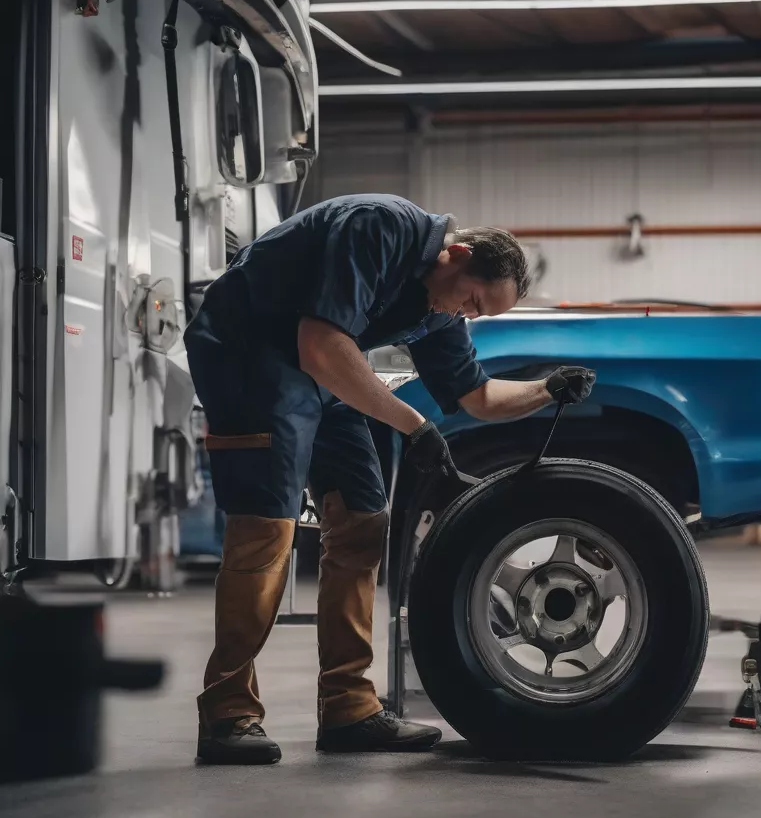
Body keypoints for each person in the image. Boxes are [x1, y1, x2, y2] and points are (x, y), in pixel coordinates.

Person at [184, 193, 596, 765]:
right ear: (455, 254)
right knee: (265, 532)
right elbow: (319, 342)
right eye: (472, 300)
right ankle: (228, 712)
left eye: (478, 314)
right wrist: (413, 425)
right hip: (249, 355)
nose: (466, 315)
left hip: (323, 371)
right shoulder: (377, 227)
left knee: (362, 523)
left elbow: (474, 396)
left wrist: (545, 389)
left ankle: (349, 708)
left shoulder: (442, 306)